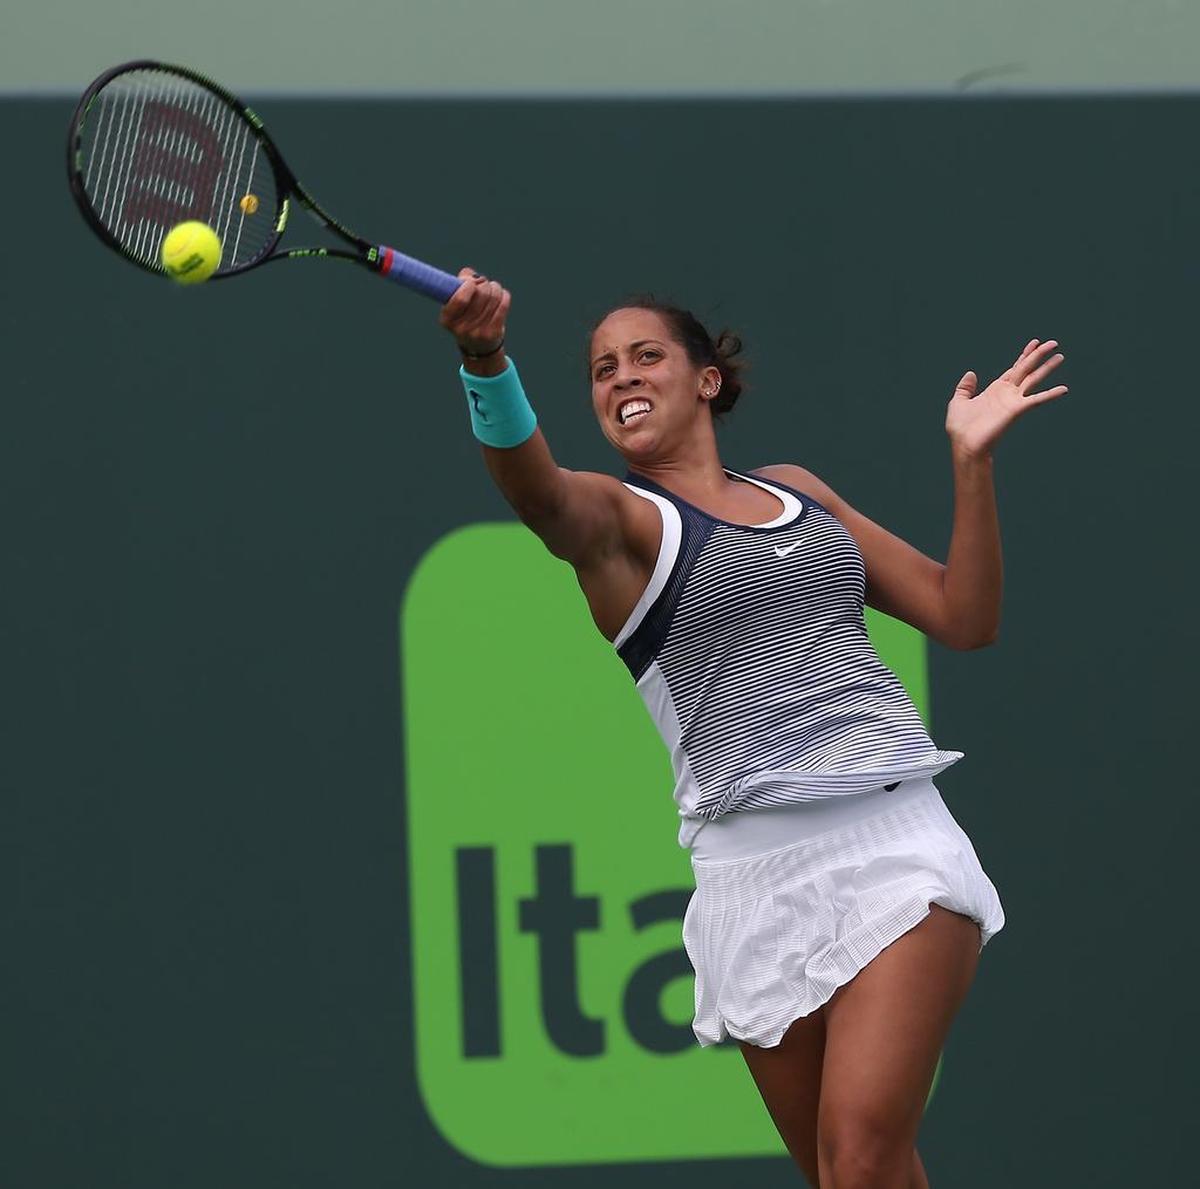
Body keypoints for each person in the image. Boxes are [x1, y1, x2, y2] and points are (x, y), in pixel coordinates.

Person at [439, 268, 1067, 1188]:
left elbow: (963, 614)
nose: (620, 377)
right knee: (844, 1173)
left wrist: (971, 465)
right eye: (602, 369)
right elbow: (538, 494)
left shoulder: (797, 491)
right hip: (748, 881)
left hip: (892, 843)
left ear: (707, 380)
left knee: (857, 1154)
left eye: (645, 356)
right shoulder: (621, 525)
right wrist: (485, 360)